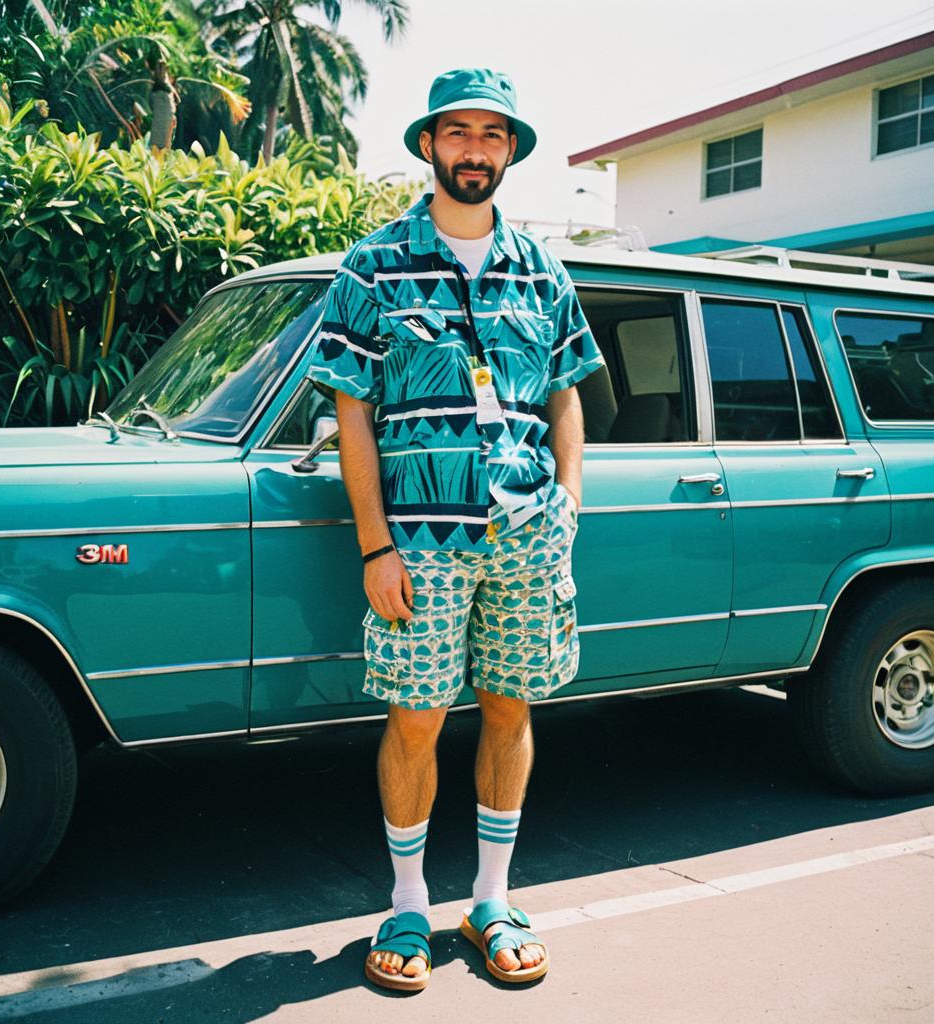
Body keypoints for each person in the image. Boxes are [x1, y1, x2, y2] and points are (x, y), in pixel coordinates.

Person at [306, 67, 605, 991]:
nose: (476, 149)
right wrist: (374, 545)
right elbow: (351, 413)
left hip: (526, 538)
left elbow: (566, 395)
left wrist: (568, 509)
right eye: (459, 132)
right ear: (430, 144)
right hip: (418, 546)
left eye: (493, 134)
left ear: (510, 150)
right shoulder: (372, 266)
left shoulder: (543, 270)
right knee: (417, 717)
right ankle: (405, 905)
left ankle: (491, 900)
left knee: (511, 708)